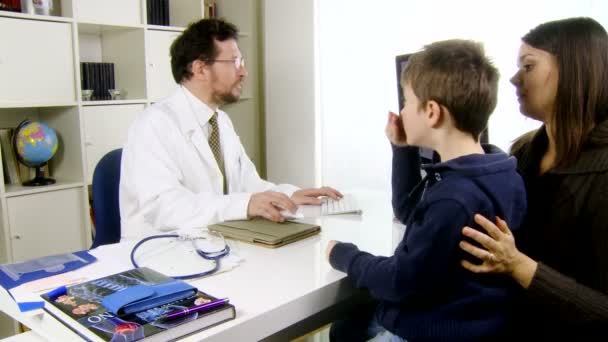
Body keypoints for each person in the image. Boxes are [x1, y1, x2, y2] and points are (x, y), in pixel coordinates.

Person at [326, 39, 527, 341]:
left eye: (406, 102)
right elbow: (410, 211)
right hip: (470, 322)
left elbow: (400, 280)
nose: (402, 111)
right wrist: (402, 149)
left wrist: (346, 256)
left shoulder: (455, 197)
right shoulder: (499, 173)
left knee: (348, 329)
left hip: (434, 330)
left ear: (432, 112)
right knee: (346, 329)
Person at [455, 17, 608, 339]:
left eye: (528, 66)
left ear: (573, 71)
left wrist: (518, 265)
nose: (513, 79)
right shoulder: (524, 153)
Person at [119, 18, 341, 237]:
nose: (243, 72)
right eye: (235, 62)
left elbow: (249, 184)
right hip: (160, 251)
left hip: (214, 243)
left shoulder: (220, 121)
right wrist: (244, 204)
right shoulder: (153, 125)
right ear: (200, 69)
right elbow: (163, 207)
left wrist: (290, 194)